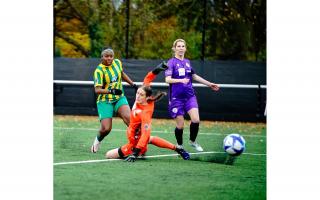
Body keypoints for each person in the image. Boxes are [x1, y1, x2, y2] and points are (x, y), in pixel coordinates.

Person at [105, 62, 190, 162]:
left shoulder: (145, 112)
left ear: (147, 97)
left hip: (135, 143)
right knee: (150, 139)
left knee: (108, 155)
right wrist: (156, 70)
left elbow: (145, 134)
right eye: (137, 93)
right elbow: (147, 79)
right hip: (136, 137)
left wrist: (135, 153)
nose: (138, 96)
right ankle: (177, 148)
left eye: (141, 95)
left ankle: (141, 151)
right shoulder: (144, 94)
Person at [164, 39, 220, 152]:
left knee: (196, 120)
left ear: (185, 48)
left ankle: (193, 141)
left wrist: (210, 84)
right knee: (180, 125)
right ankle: (179, 145)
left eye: (182, 46)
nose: (180, 48)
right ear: (174, 48)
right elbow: (167, 79)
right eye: (178, 46)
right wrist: (180, 81)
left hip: (190, 96)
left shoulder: (187, 62)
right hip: (176, 98)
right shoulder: (171, 62)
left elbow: (194, 76)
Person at [91, 48, 138, 153]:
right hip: (105, 101)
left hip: (119, 98)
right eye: (106, 56)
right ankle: (97, 140)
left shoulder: (117, 63)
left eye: (111, 56)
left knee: (130, 120)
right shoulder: (99, 71)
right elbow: (97, 90)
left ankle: (136, 146)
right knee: (106, 129)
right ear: (102, 57)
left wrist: (133, 84)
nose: (109, 58)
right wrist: (111, 91)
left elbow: (121, 74)